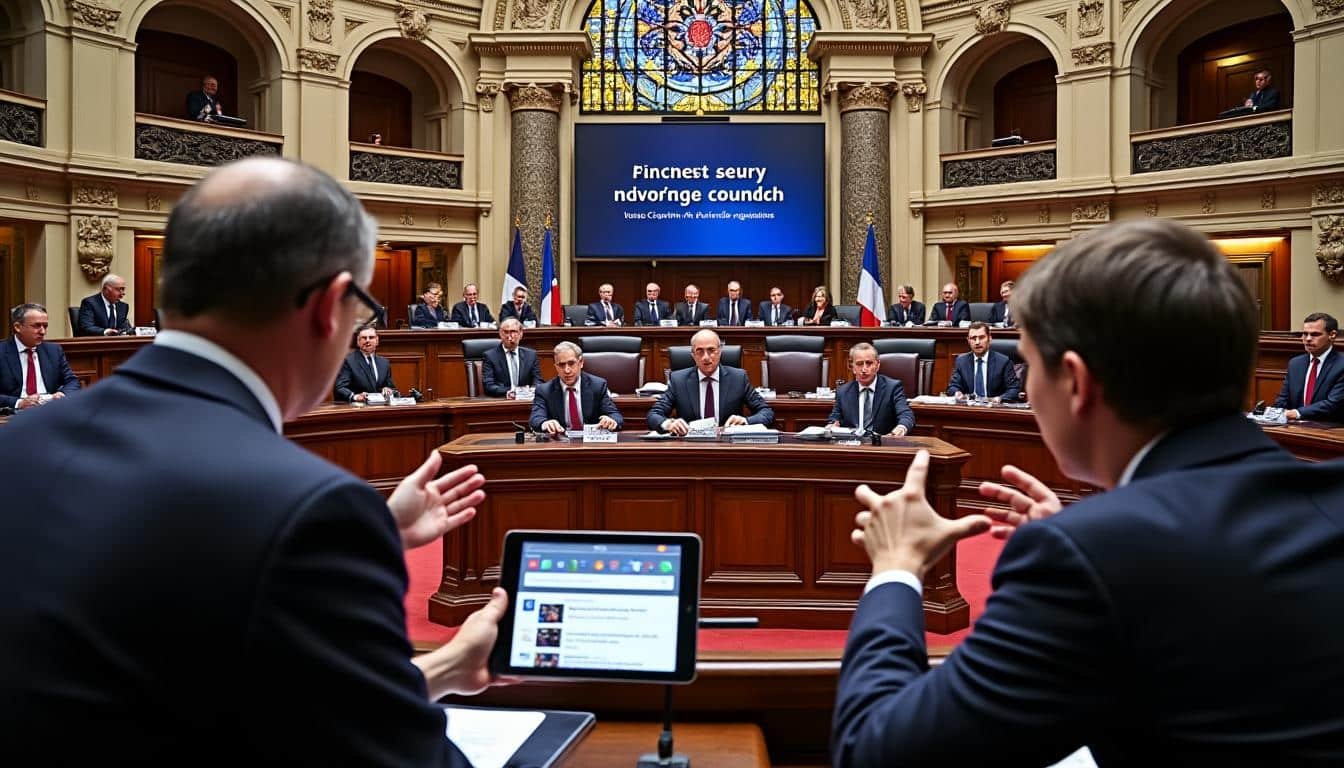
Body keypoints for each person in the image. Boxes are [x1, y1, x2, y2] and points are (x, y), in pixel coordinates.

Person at [0, 158, 511, 765]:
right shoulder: (307, 511)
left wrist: (380, 548)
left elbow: (171, 685)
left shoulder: (18, 446)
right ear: (329, 307)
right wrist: (342, 538)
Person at [833, 218, 1344, 766]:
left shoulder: (1085, 559)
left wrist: (896, 568)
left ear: (1075, 382)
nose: (1027, 386)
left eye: (1029, 365)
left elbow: (875, 751)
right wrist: (1091, 541)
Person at [648, 329, 774, 434]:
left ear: (720, 351)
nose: (706, 357)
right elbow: (654, 414)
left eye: (711, 350)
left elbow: (766, 412)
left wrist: (745, 421)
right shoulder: (678, 380)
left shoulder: (738, 378)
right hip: (690, 447)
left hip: (727, 447)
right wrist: (668, 424)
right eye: (700, 352)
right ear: (693, 355)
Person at [529, 340, 622, 435]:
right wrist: (545, 423)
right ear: (556, 366)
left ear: (581, 363)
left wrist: (611, 420)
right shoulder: (544, 390)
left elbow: (615, 415)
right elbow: (535, 419)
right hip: (561, 440)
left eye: (571, 363)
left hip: (590, 441)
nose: (567, 370)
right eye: (561, 365)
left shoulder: (597, 385)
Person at [1, 302, 81, 410]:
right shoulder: (2, 351)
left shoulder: (53, 350)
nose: (43, 332)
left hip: (50, 409)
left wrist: (62, 394)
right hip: (15, 413)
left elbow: (72, 381)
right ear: (18, 327)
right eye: (36, 326)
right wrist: (19, 403)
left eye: (45, 326)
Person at [827, 342, 914, 437]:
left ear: (877, 365)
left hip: (881, 442)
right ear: (853, 367)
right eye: (859, 364)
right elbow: (835, 417)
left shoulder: (892, 387)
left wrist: (900, 429)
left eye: (869, 363)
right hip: (853, 442)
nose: (864, 369)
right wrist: (832, 425)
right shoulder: (843, 391)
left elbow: (905, 414)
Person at [1273, 312, 1343, 422]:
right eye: (1305, 334)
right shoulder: (1295, 364)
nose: (1308, 339)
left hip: (1330, 428)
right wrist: (1273, 413)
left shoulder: (1341, 364)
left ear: (1332, 335)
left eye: (1315, 334)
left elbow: (1333, 403)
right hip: (1294, 427)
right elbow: (1283, 399)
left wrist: (1296, 413)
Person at [946, 321, 1020, 402]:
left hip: (993, 407)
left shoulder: (1003, 362)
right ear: (968, 340)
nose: (977, 342)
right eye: (973, 338)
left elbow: (1014, 389)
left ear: (989, 339)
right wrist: (957, 393)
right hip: (969, 406)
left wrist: (998, 399)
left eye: (981, 337)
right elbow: (952, 386)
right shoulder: (961, 361)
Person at [482, 318, 543, 398]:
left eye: (513, 332)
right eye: (506, 332)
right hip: (502, 400)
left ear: (521, 334)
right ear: (500, 334)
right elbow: (488, 386)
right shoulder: (490, 356)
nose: (509, 337)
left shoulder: (531, 355)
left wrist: (531, 390)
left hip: (526, 400)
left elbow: (538, 380)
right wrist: (509, 392)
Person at [334, 326, 396, 403]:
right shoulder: (348, 361)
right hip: (357, 407)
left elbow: (391, 387)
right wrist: (355, 396)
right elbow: (340, 388)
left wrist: (388, 389)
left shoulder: (384, 363)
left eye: (371, 337)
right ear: (358, 341)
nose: (367, 340)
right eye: (364, 338)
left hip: (380, 406)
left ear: (377, 341)